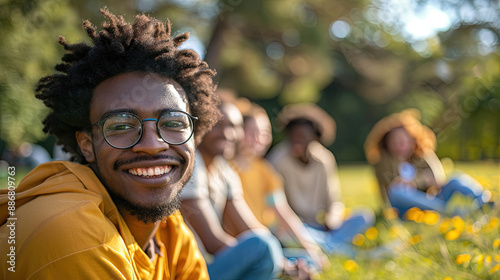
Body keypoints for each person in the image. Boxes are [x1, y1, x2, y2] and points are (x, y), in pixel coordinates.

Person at [0, 8, 220, 279]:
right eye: (121, 126)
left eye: (173, 123)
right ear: (87, 144)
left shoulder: (168, 231)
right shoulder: (71, 233)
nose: (152, 145)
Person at [180, 99, 288, 280]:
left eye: (235, 126)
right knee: (263, 248)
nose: (228, 134)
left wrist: (284, 261)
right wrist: (278, 262)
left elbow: (250, 229)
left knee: (289, 254)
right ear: (201, 126)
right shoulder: (192, 164)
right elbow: (212, 242)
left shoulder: (224, 169)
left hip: (214, 266)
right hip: (191, 271)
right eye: (218, 125)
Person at [232, 98, 328, 270]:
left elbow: (280, 209)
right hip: (242, 244)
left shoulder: (265, 170)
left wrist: (310, 248)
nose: (259, 138)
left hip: (269, 239)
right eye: (252, 132)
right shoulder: (228, 168)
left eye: (265, 132)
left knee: (310, 260)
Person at [267, 103, 374, 254]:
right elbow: (277, 207)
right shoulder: (277, 160)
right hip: (293, 226)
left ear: (315, 137)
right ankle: (347, 251)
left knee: (364, 216)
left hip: (320, 226)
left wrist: (332, 219)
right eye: (293, 137)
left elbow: (334, 201)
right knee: (287, 234)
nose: (297, 141)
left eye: (302, 137)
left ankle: (324, 244)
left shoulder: (324, 159)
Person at [364, 108, 491, 217]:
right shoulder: (382, 162)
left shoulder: (422, 154)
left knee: (455, 178)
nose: (399, 145)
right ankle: (448, 212)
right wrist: (422, 179)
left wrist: (414, 181)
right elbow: (388, 195)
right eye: (394, 142)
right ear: (387, 143)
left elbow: (438, 179)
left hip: (431, 200)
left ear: (412, 140)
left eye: (403, 141)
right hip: (405, 210)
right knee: (397, 191)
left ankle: (484, 200)